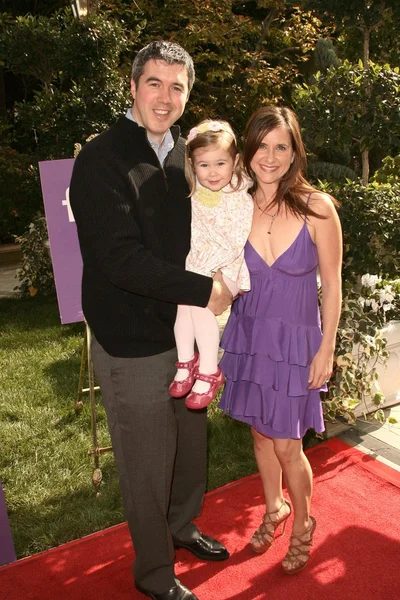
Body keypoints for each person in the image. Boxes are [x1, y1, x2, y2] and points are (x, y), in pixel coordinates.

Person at [69, 41, 233, 600]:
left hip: (182, 333)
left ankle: (183, 524)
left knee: (189, 447)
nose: (165, 97)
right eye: (154, 83)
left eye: (177, 86)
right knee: (146, 464)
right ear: (134, 86)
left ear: (188, 94)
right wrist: (204, 290)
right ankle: (156, 573)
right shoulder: (101, 158)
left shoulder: (183, 156)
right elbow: (117, 258)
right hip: (132, 341)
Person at [219, 106, 342, 574]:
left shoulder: (317, 207)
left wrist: (326, 348)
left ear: (294, 153)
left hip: (296, 344)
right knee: (258, 433)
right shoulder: (235, 206)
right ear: (248, 151)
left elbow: (332, 283)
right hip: (250, 336)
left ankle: (305, 522)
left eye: (281, 147)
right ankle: (274, 507)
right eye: (262, 146)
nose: (270, 157)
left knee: (288, 444)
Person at [169, 119, 253, 410]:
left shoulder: (238, 194)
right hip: (198, 264)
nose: (213, 172)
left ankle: (209, 369)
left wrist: (211, 269)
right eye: (204, 165)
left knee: (201, 305)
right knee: (182, 306)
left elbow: (237, 237)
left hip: (227, 266)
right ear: (192, 164)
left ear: (235, 161)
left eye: (220, 163)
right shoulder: (193, 194)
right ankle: (185, 361)